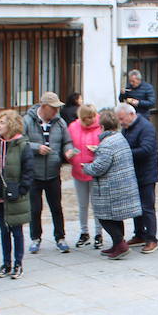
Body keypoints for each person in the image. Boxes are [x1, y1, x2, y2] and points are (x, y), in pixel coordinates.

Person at [0, 109, 35, 279]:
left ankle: (18, 264)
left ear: (11, 125)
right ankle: (6, 263)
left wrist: (21, 191)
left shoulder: (22, 145)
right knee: (4, 231)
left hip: (14, 197)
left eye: (2, 122)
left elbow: (28, 172)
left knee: (16, 231)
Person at [83, 108, 142, 260]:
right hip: (123, 185)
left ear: (102, 127)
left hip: (111, 189)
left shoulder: (107, 143)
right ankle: (118, 244)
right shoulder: (119, 138)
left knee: (104, 217)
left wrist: (86, 167)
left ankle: (120, 245)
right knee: (116, 217)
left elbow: (99, 167)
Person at [21, 91, 72, 254]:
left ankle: (60, 237)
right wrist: (36, 148)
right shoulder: (28, 121)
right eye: (53, 108)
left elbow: (67, 141)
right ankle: (35, 238)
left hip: (53, 172)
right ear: (44, 107)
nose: (56, 111)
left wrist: (68, 151)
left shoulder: (60, 122)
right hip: (34, 173)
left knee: (56, 207)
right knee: (35, 209)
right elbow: (21, 143)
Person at [119, 102, 158, 254]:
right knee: (136, 207)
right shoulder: (127, 128)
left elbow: (146, 149)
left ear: (131, 114)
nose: (121, 122)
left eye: (122, 119)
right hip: (133, 173)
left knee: (147, 207)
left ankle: (151, 239)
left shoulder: (146, 127)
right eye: (119, 119)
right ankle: (139, 234)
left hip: (147, 174)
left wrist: (125, 152)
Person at [66, 103, 105, 248]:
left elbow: (106, 146)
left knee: (97, 205)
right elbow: (69, 144)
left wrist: (97, 151)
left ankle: (99, 233)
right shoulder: (73, 127)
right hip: (79, 171)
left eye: (91, 117)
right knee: (82, 204)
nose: (89, 120)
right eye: (85, 118)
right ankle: (84, 232)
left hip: (95, 172)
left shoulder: (101, 126)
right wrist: (69, 154)